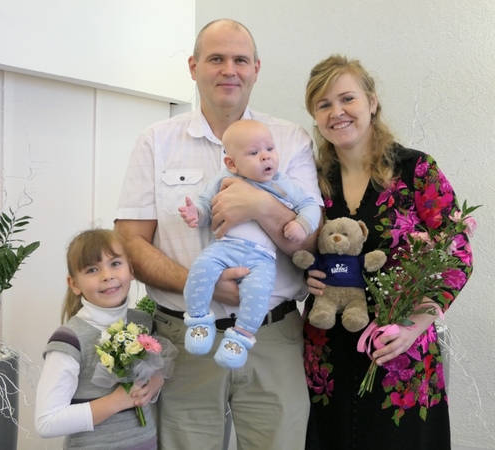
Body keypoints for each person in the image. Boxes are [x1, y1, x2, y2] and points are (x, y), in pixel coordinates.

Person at [115, 18, 323, 450]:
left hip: (272, 336)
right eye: (216, 59)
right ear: (194, 67)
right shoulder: (156, 141)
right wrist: (202, 283)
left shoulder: (290, 140)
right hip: (185, 338)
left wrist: (259, 204)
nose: (229, 70)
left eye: (240, 60)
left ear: (256, 69)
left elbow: (309, 241)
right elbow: (130, 244)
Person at [301, 55, 474, 450]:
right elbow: (293, 247)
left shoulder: (416, 169)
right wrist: (304, 277)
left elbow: (458, 254)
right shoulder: (310, 179)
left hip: (400, 348)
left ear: (372, 101)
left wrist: (414, 325)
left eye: (347, 98)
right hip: (327, 352)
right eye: (324, 104)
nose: (337, 112)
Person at [179, 119, 320, 370]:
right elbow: (205, 205)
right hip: (224, 247)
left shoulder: (281, 183)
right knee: (201, 268)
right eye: (254, 153)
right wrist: (195, 214)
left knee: (259, 293)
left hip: (261, 257)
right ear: (231, 163)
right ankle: (198, 320)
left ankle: (240, 338)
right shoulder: (224, 179)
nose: (266, 157)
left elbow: (309, 205)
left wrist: (301, 224)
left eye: (270, 149)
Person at [35, 229, 165, 450]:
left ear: (131, 269)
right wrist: (116, 402)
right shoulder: (69, 340)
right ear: (74, 284)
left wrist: (154, 384)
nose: (107, 275)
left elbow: (159, 370)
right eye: (92, 270)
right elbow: (46, 422)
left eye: (115, 264)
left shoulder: (144, 322)